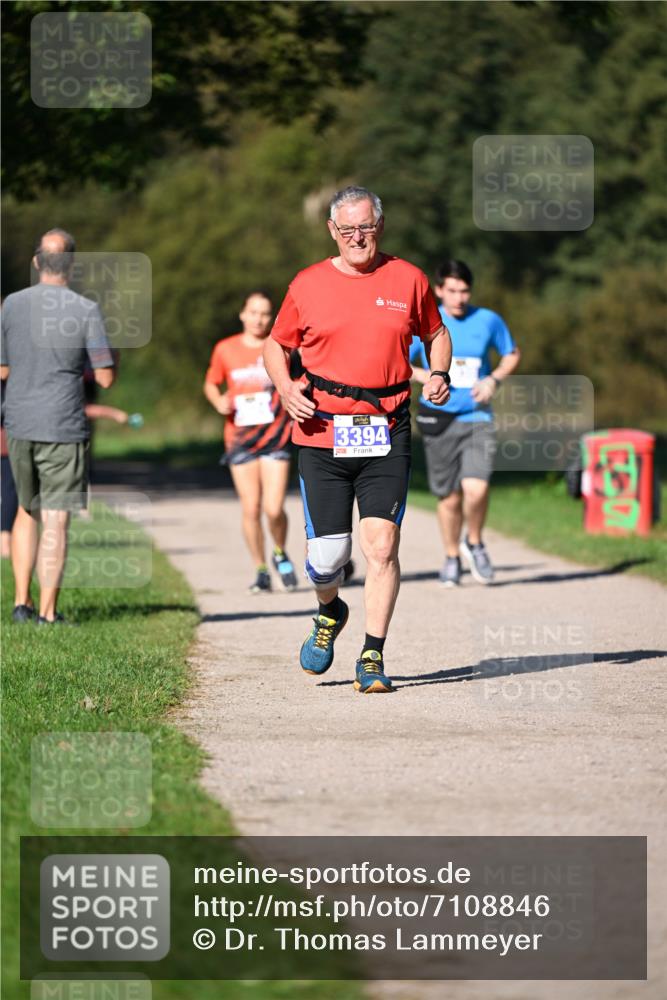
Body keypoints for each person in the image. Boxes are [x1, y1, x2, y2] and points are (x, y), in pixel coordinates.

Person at [264, 186, 451, 694]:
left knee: (382, 546)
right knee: (327, 559)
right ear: (332, 231)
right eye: (346, 229)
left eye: (365, 227)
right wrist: (285, 389)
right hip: (322, 433)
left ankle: (371, 655)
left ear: (380, 225)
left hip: (387, 428)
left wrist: (438, 372)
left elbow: (435, 333)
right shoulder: (307, 284)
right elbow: (276, 346)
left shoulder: (408, 278)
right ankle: (330, 611)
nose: (357, 237)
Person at [0, 228, 115, 623]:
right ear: (71, 265)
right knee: (57, 516)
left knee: (25, 511)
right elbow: (104, 377)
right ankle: (48, 612)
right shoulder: (86, 310)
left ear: (36, 262)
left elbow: (2, 367)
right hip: (63, 424)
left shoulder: (11, 305)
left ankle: (21, 603)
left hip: (19, 420)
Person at [410, 259, 520, 586]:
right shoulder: (426, 321)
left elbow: (511, 353)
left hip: (477, 416)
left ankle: (474, 542)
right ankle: (451, 556)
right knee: (450, 497)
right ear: (439, 290)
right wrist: (426, 376)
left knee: (477, 487)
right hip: (438, 416)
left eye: (465, 291)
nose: (459, 297)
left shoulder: (488, 320)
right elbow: (400, 359)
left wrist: (494, 380)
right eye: (452, 290)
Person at [204, 292, 298, 594]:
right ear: (243, 314)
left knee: (273, 508)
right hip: (240, 437)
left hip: (275, 435)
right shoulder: (225, 348)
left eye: (265, 313)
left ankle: (280, 552)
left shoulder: (281, 347)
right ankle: (260, 569)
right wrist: (218, 399)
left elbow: (301, 378)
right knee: (251, 508)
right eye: (254, 312)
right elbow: (211, 381)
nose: (259, 319)